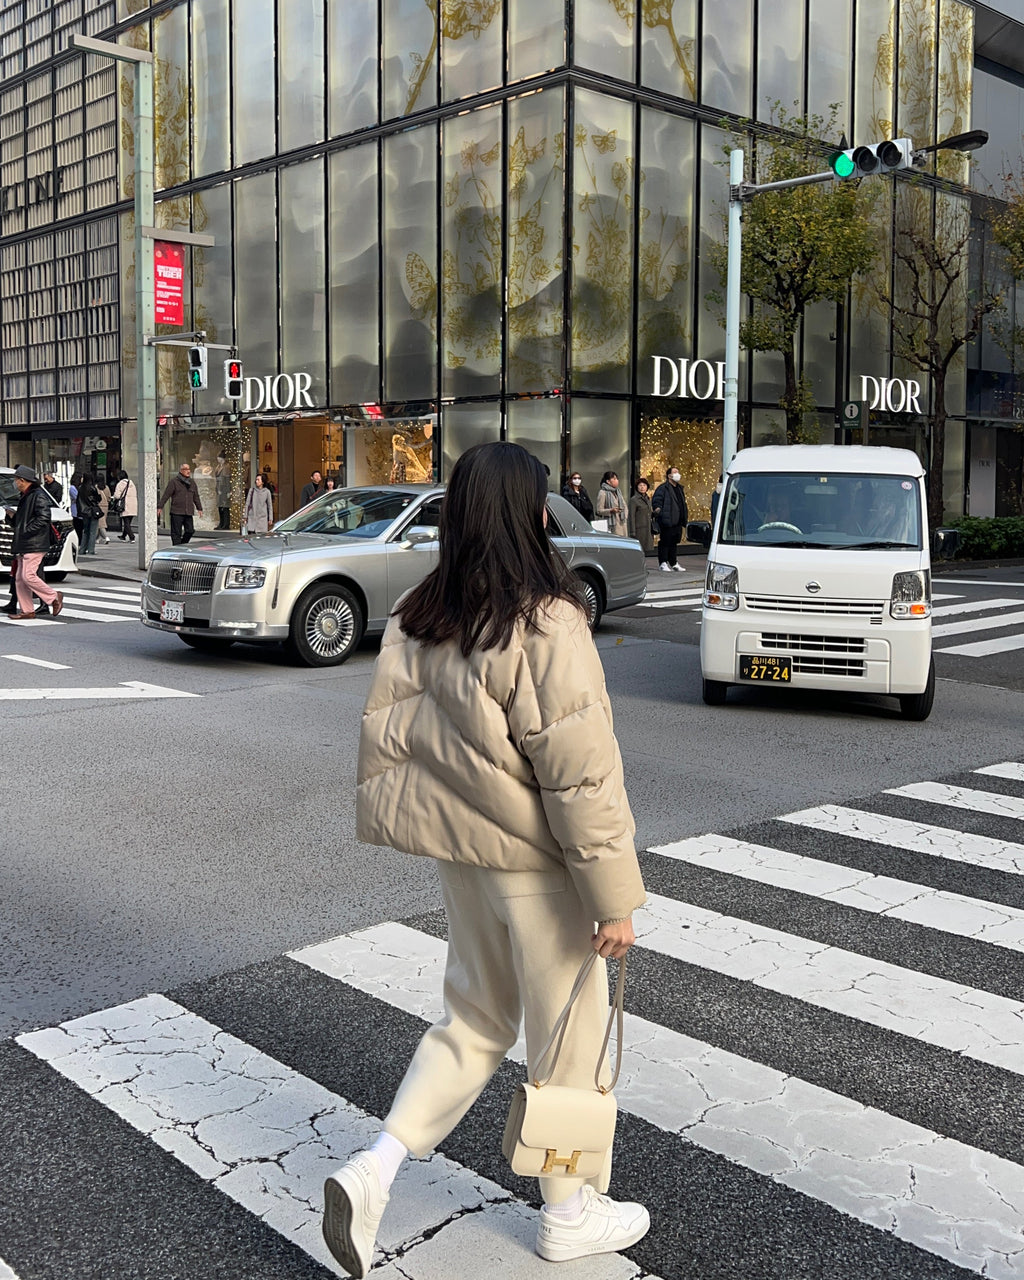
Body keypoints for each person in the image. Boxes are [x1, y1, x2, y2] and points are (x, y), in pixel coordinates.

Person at [322, 441, 649, 1277]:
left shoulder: (423, 613)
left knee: (470, 1021)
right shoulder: (548, 620)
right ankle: (569, 1214)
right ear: (529, 514)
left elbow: (403, 737)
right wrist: (614, 897)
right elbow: (580, 772)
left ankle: (375, 1169)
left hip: (463, 858)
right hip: (539, 867)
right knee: (567, 1040)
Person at [3, 466, 63, 621]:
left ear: (23, 480)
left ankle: (54, 596)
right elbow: (22, 521)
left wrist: (26, 531)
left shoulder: (37, 495)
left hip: (34, 543)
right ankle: (27, 610)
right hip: (26, 543)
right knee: (20, 578)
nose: (15, 483)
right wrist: (11, 516)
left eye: (16, 480)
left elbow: (44, 518)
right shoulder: (26, 495)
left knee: (27, 575)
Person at [652, 466, 688, 572]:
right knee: (665, 542)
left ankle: (673, 562)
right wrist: (659, 512)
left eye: (678, 472)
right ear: (669, 476)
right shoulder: (663, 488)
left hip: (677, 521)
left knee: (674, 542)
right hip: (667, 520)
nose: (678, 474)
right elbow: (657, 501)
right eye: (675, 472)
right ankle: (663, 562)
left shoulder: (679, 488)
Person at [158, 462, 204, 545]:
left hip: (188, 512)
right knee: (176, 533)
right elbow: (166, 495)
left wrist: (199, 508)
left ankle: (182, 544)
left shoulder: (192, 483)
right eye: (186, 469)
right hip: (177, 511)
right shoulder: (174, 482)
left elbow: (196, 496)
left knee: (190, 530)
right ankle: (177, 548)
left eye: (189, 469)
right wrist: (160, 507)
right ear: (181, 471)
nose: (188, 471)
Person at [628, 477, 655, 556]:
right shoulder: (634, 500)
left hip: (648, 528)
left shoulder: (647, 499)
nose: (642, 487)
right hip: (639, 529)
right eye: (640, 485)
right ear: (637, 487)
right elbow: (631, 516)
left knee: (646, 550)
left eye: (644, 485)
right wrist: (632, 531)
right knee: (639, 550)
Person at [595, 471, 628, 536]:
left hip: (622, 523)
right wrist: (611, 510)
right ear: (608, 481)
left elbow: (625, 506)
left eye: (617, 479)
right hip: (611, 524)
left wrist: (625, 516)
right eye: (614, 479)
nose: (617, 481)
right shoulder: (603, 492)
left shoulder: (618, 491)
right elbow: (599, 510)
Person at [77, 472, 102, 556]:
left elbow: (78, 501)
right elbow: (97, 499)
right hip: (93, 511)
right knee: (92, 531)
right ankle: (91, 550)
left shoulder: (80, 488)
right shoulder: (92, 488)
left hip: (84, 512)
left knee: (86, 531)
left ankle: (82, 549)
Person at [112, 471, 137, 542]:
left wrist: (114, 497)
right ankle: (123, 536)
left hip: (125, 505)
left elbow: (117, 495)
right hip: (133, 505)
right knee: (128, 522)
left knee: (126, 522)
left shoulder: (120, 484)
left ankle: (132, 537)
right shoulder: (132, 483)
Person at [215, 454, 232, 530]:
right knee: (220, 507)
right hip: (219, 488)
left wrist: (228, 491)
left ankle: (226, 524)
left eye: (219, 458)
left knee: (225, 507)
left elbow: (227, 479)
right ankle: (221, 523)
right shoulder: (218, 466)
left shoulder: (226, 467)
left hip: (224, 489)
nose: (217, 459)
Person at [94, 475, 111, 545]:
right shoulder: (106, 487)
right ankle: (97, 539)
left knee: (101, 524)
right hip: (105, 506)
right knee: (100, 522)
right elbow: (109, 497)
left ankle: (106, 537)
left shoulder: (95, 487)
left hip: (98, 506)